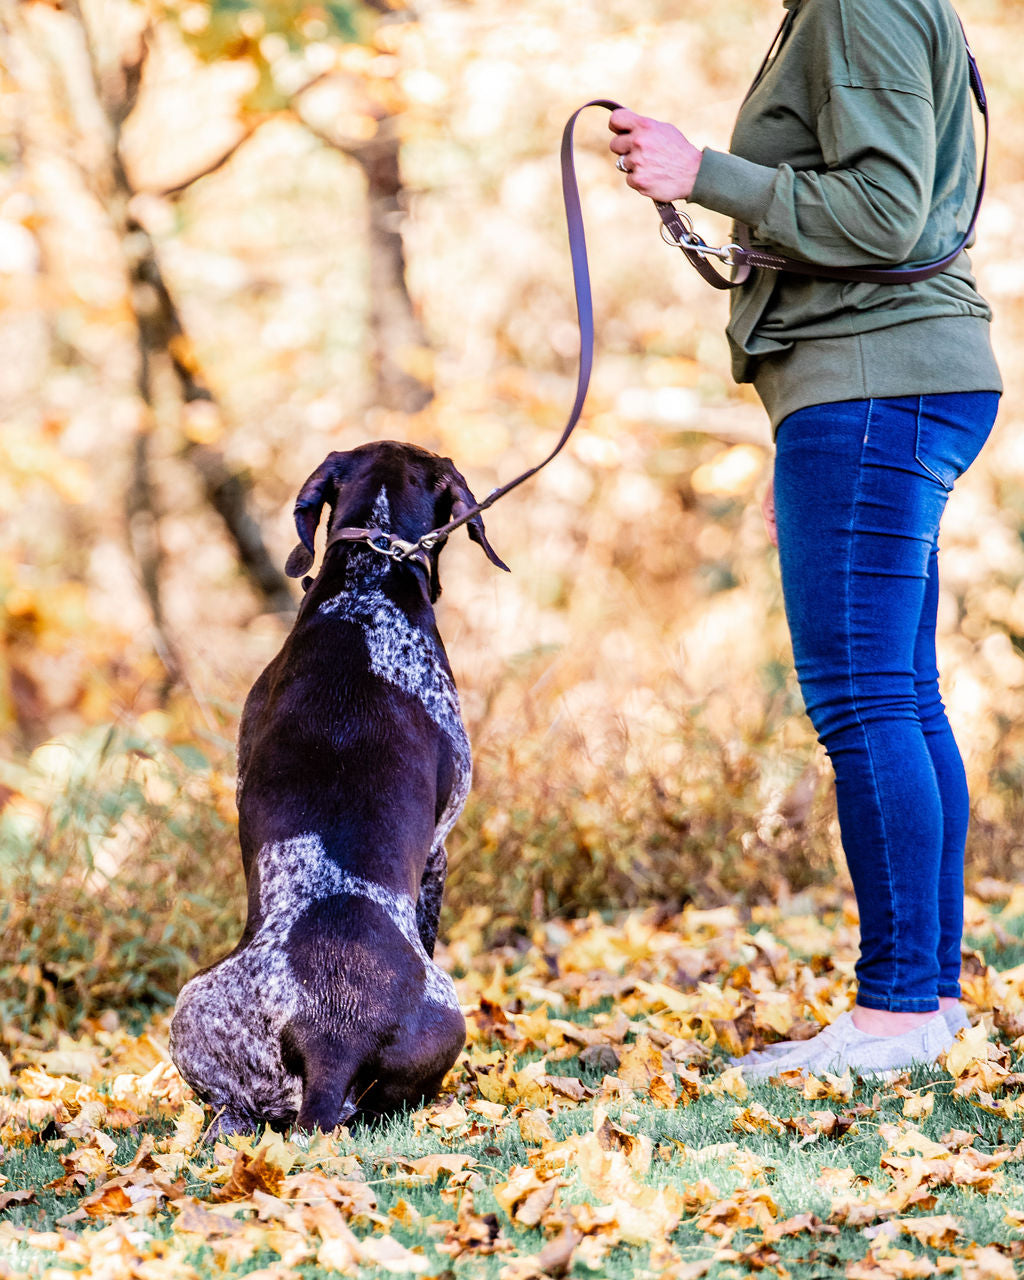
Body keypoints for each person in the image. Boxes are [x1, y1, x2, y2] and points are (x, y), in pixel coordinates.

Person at [608, 0, 1002, 1076]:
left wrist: (705, 172)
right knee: (901, 690)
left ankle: (892, 1016)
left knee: (863, 695)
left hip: (875, 380)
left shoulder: (852, 3)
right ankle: (924, 997)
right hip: (890, 384)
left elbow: (881, 213)